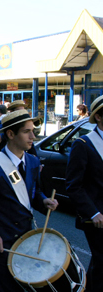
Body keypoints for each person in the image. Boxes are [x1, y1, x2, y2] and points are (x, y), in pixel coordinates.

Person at [0, 109, 58, 292]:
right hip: (3, 243)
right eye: (26, 131)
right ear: (10, 134)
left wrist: (43, 201)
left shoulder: (32, 161)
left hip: (27, 237)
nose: (33, 136)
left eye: (33, 131)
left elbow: (32, 192)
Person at [66, 95, 103, 292]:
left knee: (100, 265)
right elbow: (73, 185)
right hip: (97, 217)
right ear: (98, 117)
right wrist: (93, 212)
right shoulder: (83, 144)